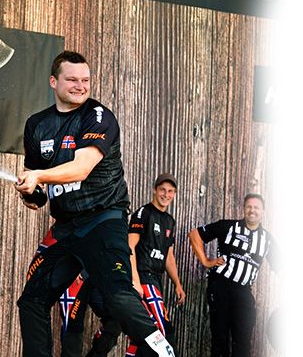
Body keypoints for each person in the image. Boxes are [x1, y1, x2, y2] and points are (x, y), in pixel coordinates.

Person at [15, 51, 172, 357]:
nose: (80, 86)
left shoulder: (98, 116)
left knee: (116, 297)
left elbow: (81, 168)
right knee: (32, 300)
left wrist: (38, 176)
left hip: (103, 221)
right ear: (53, 81)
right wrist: (29, 191)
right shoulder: (37, 125)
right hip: (65, 228)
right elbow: (40, 192)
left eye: (85, 80)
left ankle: (163, 351)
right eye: (72, 79)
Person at [85, 173, 187, 357]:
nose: (166, 194)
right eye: (162, 190)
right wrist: (135, 280)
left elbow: (169, 257)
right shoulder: (143, 213)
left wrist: (178, 284)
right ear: (155, 190)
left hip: (156, 280)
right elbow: (129, 247)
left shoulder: (170, 221)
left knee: (140, 332)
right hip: (142, 278)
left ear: (175, 193)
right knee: (162, 331)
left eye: (170, 191)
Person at [188, 193, 275, 357]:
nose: (252, 211)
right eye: (249, 206)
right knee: (219, 338)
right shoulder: (228, 227)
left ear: (262, 211)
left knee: (243, 341)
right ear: (244, 209)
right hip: (221, 286)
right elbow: (195, 235)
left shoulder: (267, 240)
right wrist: (206, 261)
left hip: (244, 291)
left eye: (256, 207)